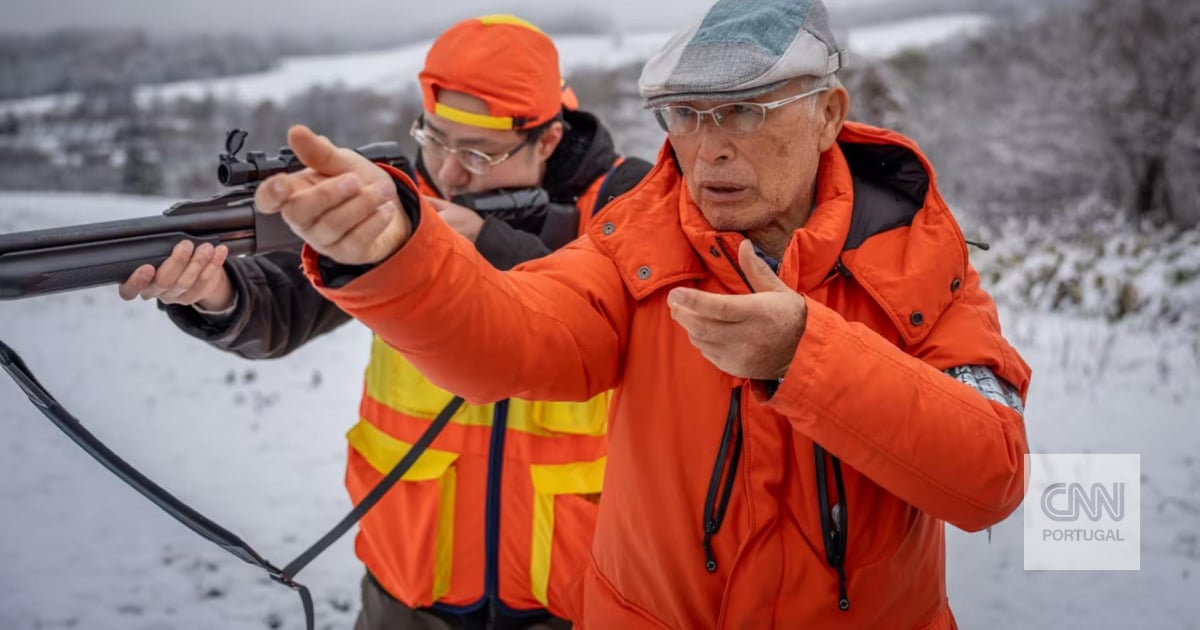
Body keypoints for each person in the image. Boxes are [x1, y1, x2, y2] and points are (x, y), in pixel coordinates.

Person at [253, 0, 1034, 627]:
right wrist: (395, 248)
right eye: (686, 114)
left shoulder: (920, 255)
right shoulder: (639, 242)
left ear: (828, 113)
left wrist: (807, 355)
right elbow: (509, 342)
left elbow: (988, 476)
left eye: (747, 112)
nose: (711, 148)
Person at [117, 15, 651, 630]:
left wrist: (484, 242)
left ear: (549, 140)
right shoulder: (398, 196)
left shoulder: (629, 199)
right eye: (436, 138)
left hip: (586, 600)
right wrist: (218, 292)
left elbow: (623, 311)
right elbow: (288, 299)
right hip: (406, 589)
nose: (450, 173)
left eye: (479, 152)